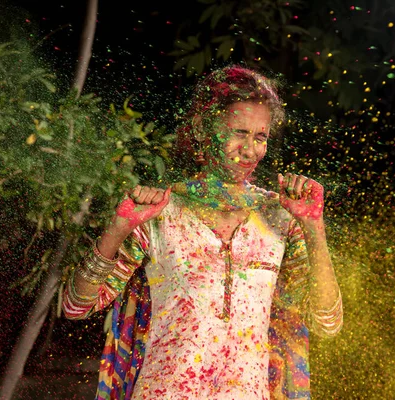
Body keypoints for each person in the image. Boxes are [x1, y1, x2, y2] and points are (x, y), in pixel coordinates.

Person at [62, 66, 343, 400]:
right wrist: (119, 228)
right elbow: (76, 307)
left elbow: (327, 324)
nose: (249, 149)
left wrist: (315, 228)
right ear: (201, 127)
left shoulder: (280, 217)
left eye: (261, 137)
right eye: (239, 132)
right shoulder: (161, 212)